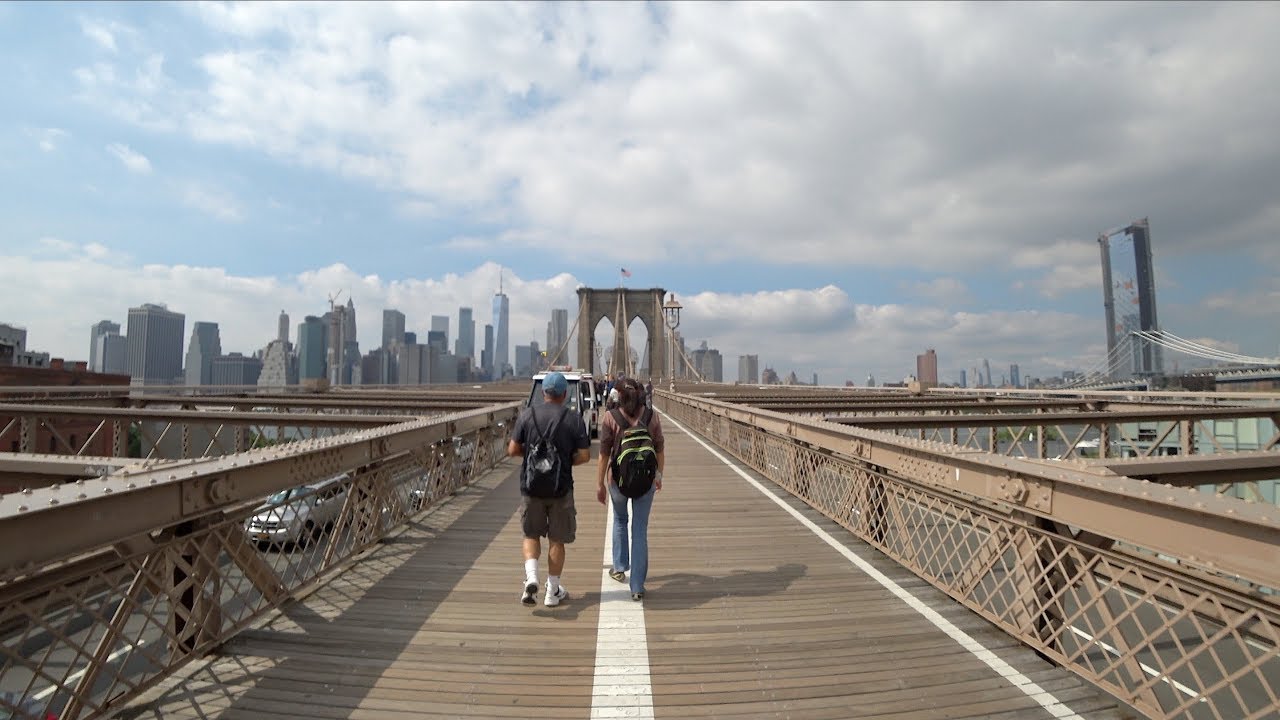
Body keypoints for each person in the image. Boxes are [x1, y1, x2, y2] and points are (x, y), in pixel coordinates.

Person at [508, 371, 591, 607]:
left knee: (531, 534)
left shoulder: (527, 415)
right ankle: (552, 591)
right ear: (565, 394)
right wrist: (563, 461)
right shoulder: (574, 419)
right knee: (557, 540)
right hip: (560, 488)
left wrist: (534, 459)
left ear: (543, 392)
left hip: (531, 486)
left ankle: (531, 577)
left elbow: (512, 450)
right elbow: (585, 455)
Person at [596, 377, 665, 601]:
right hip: (646, 481)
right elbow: (660, 448)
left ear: (619, 395)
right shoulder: (652, 416)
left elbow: (604, 454)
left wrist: (599, 484)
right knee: (640, 530)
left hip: (617, 480)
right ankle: (637, 587)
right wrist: (658, 475)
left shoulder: (609, 417)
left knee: (620, 519)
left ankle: (619, 567)